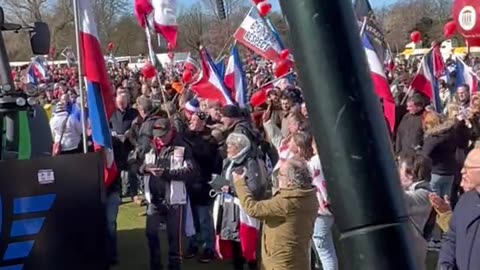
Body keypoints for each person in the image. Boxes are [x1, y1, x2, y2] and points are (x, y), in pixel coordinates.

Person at [232, 157, 318, 270]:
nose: (278, 177)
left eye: (281, 175)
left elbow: (252, 208)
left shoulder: (286, 202)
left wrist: (239, 183)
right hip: (299, 259)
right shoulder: (309, 196)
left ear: (290, 181)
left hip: (281, 264)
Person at [139, 117, 198, 270]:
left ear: (171, 131)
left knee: (174, 240)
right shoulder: (149, 145)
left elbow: (191, 171)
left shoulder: (182, 146)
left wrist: (166, 173)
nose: (160, 138)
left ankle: (174, 267)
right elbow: (133, 162)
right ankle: (156, 265)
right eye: (157, 134)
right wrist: (144, 169)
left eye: (163, 135)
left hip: (174, 199)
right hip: (153, 198)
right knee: (151, 234)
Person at [216, 132, 267, 270]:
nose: (227, 149)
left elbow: (255, 188)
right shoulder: (229, 161)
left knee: (247, 245)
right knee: (234, 244)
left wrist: (231, 189)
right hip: (228, 208)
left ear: (238, 148)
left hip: (243, 210)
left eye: (230, 146)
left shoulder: (250, 163)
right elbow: (225, 177)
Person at [438, 148, 480, 270]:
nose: (462, 171)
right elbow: (451, 238)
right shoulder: (465, 201)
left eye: (468, 168)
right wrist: (445, 265)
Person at [398, 152, 434, 270]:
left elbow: (401, 199)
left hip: (412, 253)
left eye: (399, 168)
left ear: (411, 174)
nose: (397, 172)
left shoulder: (424, 194)